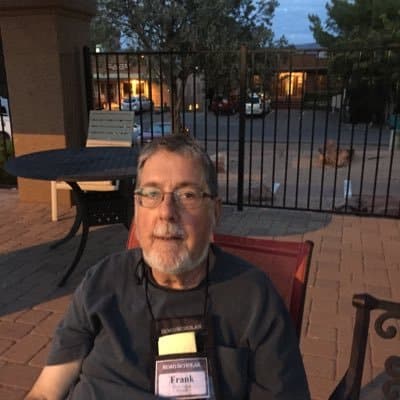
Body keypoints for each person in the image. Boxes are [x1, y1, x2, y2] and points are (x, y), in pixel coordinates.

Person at [26, 135, 310, 399]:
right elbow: (46, 392)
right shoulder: (100, 282)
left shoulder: (254, 298)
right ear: (137, 208)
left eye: (187, 195)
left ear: (215, 212)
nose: (166, 212)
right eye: (151, 194)